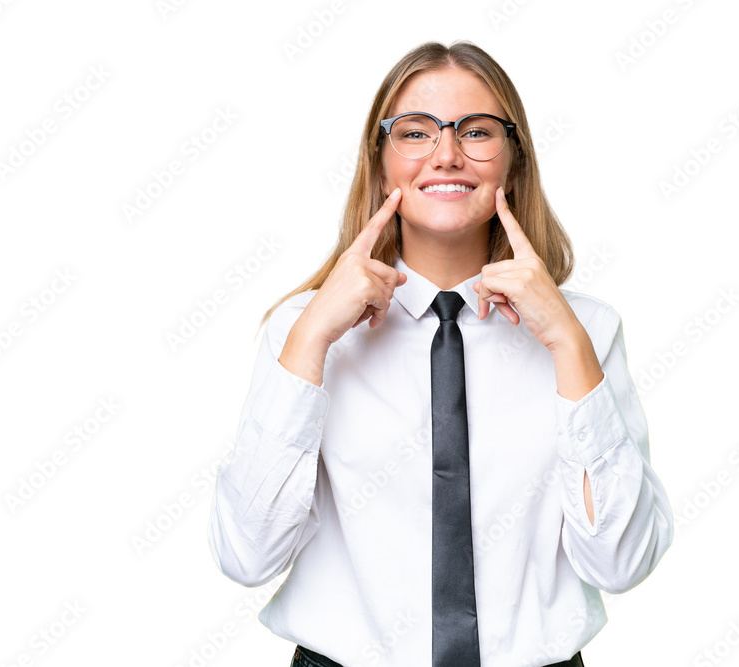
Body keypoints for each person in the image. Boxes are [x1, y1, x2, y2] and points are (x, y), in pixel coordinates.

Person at [207, 40, 674, 667]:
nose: (447, 154)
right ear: (380, 165)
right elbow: (246, 555)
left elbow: (620, 563)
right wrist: (313, 337)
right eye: (416, 132)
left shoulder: (586, 329)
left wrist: (566, 343)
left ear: (514, 160)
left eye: (476, 131)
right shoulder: (303, 332)